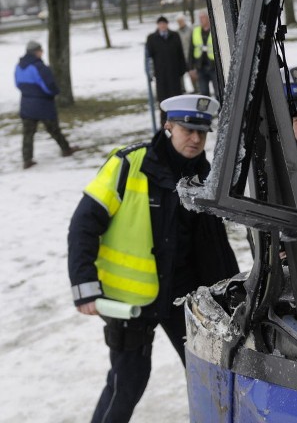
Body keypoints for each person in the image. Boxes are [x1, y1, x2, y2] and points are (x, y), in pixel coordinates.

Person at [67, 94, 239, 423]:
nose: (196, 139)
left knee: (212, 376)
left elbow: (213, 243)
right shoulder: (128, 165)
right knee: (127, 383)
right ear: (168, 126)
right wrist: (83, 284)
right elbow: (84, 224)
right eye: (188, 130)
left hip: (184, 296)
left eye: (202, 132)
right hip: (133, 299)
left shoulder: (206, 176)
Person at [14, 40, 77, 169]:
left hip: (26, 104)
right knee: (54, 129)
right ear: (35, 52)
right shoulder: (39, 66)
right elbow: (49, 86)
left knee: (28, 133)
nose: (42, 53)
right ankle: (66, 149)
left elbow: (17, 84)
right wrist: (54, 93)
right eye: (40, 50)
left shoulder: (19, 66)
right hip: (43, 104)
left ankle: (27, 159)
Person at [146, 16, 187, 125]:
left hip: (174, 74)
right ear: (158, 25)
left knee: (176, 98)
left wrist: (182, 70)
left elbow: (180, 54)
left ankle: (178, 122)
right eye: (160, 24)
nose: (162, 26)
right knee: (163, 100)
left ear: (167, 24)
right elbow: (149, 58)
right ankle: (164, 123)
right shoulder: (152, 38)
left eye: (164, 23)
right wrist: (151, 73)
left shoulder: (174, 36)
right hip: (161, 76)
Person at [189, 10, 220, 98]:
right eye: (200, 18)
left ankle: (220, 110)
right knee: (204, 94)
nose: (201, 20)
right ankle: (206, 112)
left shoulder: (215, 30)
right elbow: (191, 50)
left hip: (214, 67)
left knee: (218, 92)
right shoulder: (196, 31)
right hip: (201, 67)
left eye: (203, 18)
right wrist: (191, 67)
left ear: (208, 18)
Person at [176, 14, 198, 93]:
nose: (180, 23)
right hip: (181, 58)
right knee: (181, 76)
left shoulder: (190, 30)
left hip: (190, 57)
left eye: (181, 21)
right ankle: (183, 90)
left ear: (184, 21)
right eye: (178, 22)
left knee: (192, 74)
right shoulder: (176, 33)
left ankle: (196, 89)